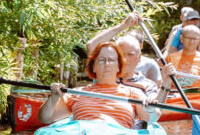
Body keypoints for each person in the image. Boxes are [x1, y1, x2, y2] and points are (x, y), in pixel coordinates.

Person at [38, 42, 166, 129]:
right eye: (101, 60)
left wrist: (150, 108)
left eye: (111, 60)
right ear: (93, 67)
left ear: (118, 66)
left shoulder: (133, 93)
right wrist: (53, 99)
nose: (107, 64)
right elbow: (45, 118)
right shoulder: (77, 93)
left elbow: (152, 118)